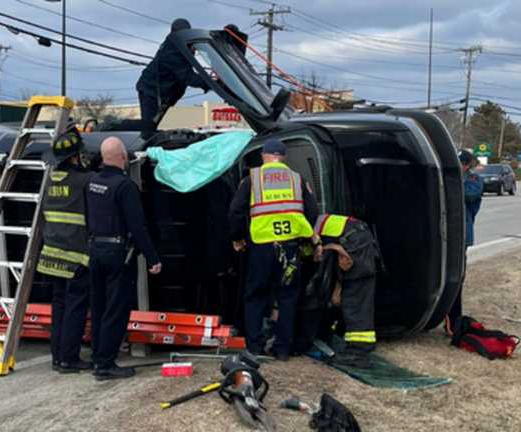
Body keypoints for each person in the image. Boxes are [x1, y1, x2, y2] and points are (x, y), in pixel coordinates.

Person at [229, 139, 320, 359]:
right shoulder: (298, 179)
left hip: (261, 247)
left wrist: (238, 238)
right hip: (290, 249)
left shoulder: (252, 178)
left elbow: (236, 212)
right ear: (284, 157)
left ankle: (255, 348)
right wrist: (307, 240)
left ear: (264, 156)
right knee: (288, 297)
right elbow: (312, 213)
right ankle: (282, 350)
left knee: (255, 296)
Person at [86, 137, 162, 380]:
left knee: (98, 307)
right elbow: (137, 226)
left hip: (95, 249)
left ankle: (98, 355)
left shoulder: (93, 181)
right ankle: (106, 364)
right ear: (121, 157)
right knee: (116, 309)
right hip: (118, 254)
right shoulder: (125, 186)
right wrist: (152, 258)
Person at [36, 126, 93, 373]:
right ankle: (70, 358)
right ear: (74, 157)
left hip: (51, 256)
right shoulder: (84, 180)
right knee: (75, 309)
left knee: (58, 307)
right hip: (76, 258)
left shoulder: (49, 180)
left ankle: (57, 356)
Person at [135, 18, 211, 140]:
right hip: (150, 91)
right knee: (149, 131)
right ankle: (141, 148)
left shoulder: (182, 46)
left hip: (163, 94)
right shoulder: (171, 52)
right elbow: (188, 77)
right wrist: (211, 83)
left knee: (154, 128)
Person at [314, 214, 380, 352]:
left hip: (353, 242)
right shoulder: (319, 222)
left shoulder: (310, 231)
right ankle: (361, 342)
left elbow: (336, 253)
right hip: (359, 238)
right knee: (359, 292)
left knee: (354, 296)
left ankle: (359, 346)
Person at [446, 150, 483, 334]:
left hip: (461, 235)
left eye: (459, 163)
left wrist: (451, 180)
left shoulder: (474, 180)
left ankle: (454, 321)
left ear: (467, 165)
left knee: (456, 277)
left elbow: (469, 195)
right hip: (443, 234)